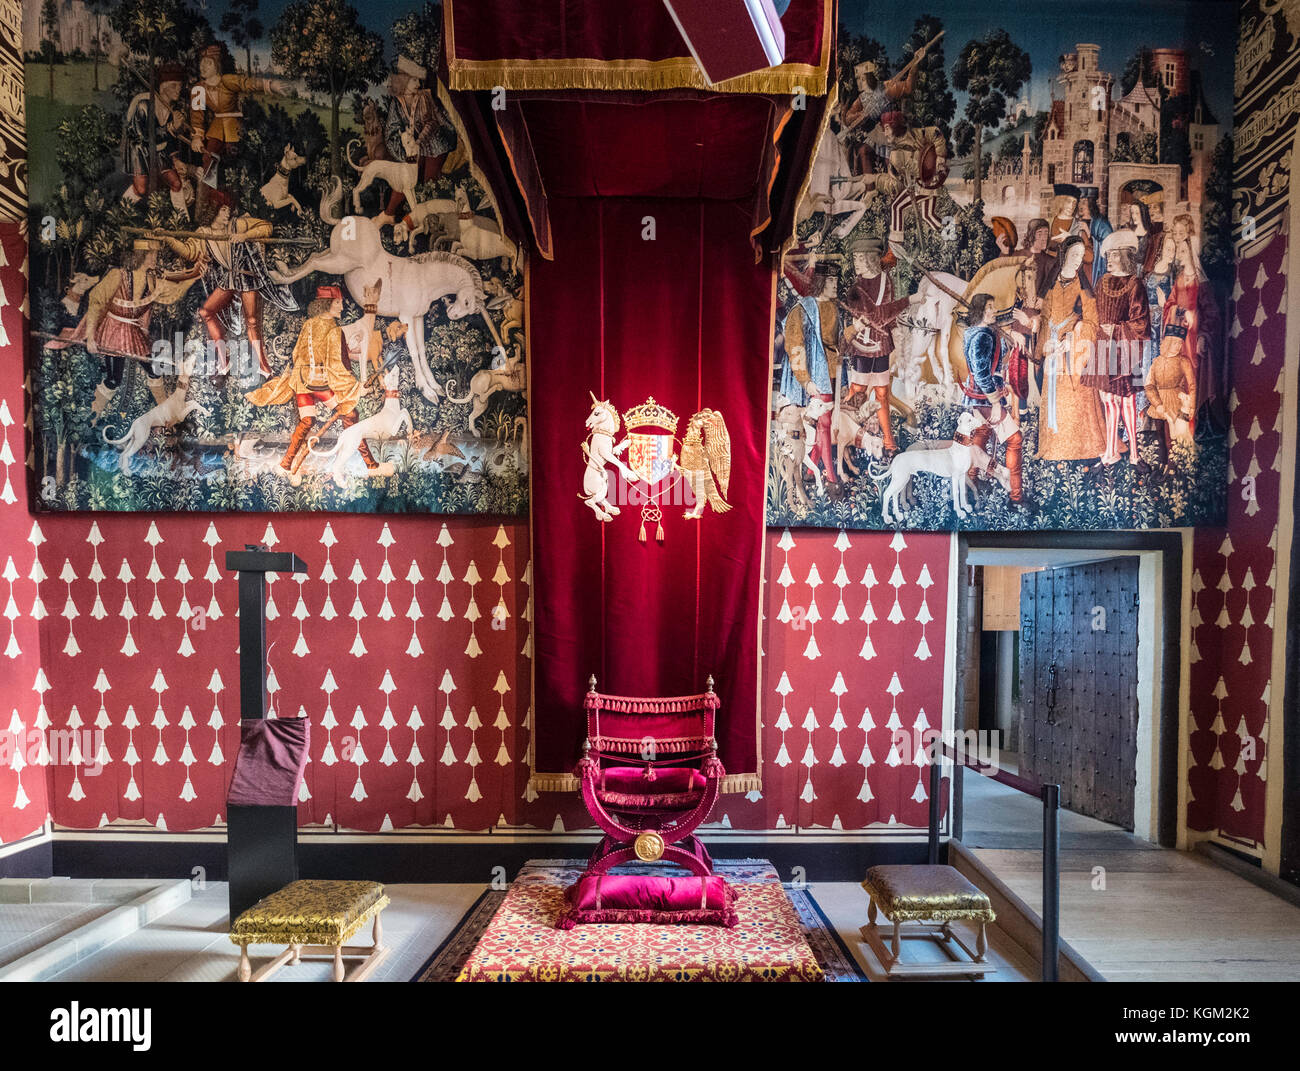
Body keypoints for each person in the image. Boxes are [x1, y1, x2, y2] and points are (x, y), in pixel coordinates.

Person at [44, 240, 189, 420]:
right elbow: (96, 302)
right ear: (141, 256)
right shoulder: (117, 275)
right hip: (113, 332)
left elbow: (173, 292)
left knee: (154, 370)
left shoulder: (152, 281)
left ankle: (169, 418)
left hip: (134, 333)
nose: (155, 258)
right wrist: (90, 336)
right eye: (152, 254)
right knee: (113, 380)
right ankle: (92, 416)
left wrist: (196, 275)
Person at [157, 190, 297, 376]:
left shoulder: (236, 225)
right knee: (206, 311)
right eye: (223, 210)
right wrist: (167, 238)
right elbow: (189, 251)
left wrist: (245, 236)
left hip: (246, 276)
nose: (227, 213)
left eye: (228, 209)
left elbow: (266, 227)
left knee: (252, 321)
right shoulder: (204, 233)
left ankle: (264, 366)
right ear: (213, 211)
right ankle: (224, 360)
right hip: (229, 279)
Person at [245, 285, 375, 484]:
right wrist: (357, 388)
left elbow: (297, 353)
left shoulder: (309, 324)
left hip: (301, 381)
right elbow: (337, 366)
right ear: (327, 304)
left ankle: (286, 464)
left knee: (307, 422)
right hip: (320, 384)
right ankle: (370, 464)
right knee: (350, 415)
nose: (342, 306)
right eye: (338, 302)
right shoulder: (334, 330)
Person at [1034, 235, 1107, 463]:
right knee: (1053, 399)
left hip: (1072, 349)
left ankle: (1078, 449)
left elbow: (1092, 320)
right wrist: (1043, 337)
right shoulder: (1052, 283)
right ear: (1065, 255)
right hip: (1052, 346)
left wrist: (1074, 337)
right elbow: (1045, 315)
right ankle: (1053, 446)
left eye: (1081, 255)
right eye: (1074, 254)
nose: (1078, 259)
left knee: (1073, 399)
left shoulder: (1082, 286)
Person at [840, 238, 916, 453]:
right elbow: (876, 315)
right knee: (857, 392)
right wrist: (909, 301)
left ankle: (888, 442)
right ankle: (846, 435)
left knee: (882, 393)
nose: (856, 262)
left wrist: (896, 334)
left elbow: (886, 317)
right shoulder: (855, 287)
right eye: (854, 258)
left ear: (870, 259)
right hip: (862, 345)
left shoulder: (886, 281)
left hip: (881, 344)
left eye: (859, 258)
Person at [1085, 231, 1150, 470]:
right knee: (1109, 401)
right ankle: (1110, 453)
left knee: (1128, 403)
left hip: (1125, 350)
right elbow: (1094, 313)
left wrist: (1117, 330)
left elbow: (1141, 322)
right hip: (1103, 348)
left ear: (1124, 255)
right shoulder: (1101, 282)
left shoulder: (1135, 284)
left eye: (1113, 255)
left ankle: (1134, 454)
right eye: (1107, 255)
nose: (1108, 260)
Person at [781, 262, 842, 490]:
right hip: (813, 375)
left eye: (837, 281)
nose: (835, 286)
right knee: (823, 423)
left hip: (831, 372)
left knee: (824, 424)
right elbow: (795, 345)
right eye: (831, 281)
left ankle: (810, 471)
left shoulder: (834, 309)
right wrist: (805, 380)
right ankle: (831, 478)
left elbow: (836, 346)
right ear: (820, 283)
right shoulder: (803, 309)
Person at [961, 292, 1027, 505]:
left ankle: (970, 489)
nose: (994, 311)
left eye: (993, 306)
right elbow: (981, 373)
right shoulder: (983, 336)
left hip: (976, 398)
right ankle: (1016, 498)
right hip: (986, 399)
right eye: (989, 307)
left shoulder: (972, 332)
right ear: (980, 311)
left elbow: (986, 371)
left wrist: (1000, 385)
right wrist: (996, 401)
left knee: (979, 438)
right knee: (1015, 440)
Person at [189, 42, 283, 189]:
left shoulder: (227, 81)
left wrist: (269, 85)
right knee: (209, 158)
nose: (203, 66)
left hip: (235, 128)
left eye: (208, 63)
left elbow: (246, 83)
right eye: (202, 63)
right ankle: (211, 195)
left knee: (241, 161)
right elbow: (197, 116)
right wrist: (196, 137)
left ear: (217, 65)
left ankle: (247, 194)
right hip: (216, 129)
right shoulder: (198, 89)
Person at [380, 56, 458, 226]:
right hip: (415, 148)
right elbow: (391, 131)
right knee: (406, 178)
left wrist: (418, 142)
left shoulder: (424, 97)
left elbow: (431, 123)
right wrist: (402, 153)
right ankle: (390, 214)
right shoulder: (397, 102)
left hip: (436, 145)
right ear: (404, 81)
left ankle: (429, 222)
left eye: (419, 80)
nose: (418, 83)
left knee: (429, 183)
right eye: (414, 79)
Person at [122, 62, 190, 214]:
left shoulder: (172, 109)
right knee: (141, 189)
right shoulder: (143, 105)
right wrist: (171, 127)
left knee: (176, 183)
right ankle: (120, 213)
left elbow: (170, 140)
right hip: (140, 152)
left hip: (160, 152)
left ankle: (182, 219)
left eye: (180, 85)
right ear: (163, 86)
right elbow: (143, 137)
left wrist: (175, 159)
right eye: (174, 85)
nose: (178, 90)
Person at [1142, 308, 1196, 468]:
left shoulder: (1183, 361)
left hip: (1176, 401)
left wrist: (1191, 405)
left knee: (1172, 436)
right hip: (1159, 403)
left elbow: (1192, 385)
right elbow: (1149, 385)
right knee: (1158, 438)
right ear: (1165, 343)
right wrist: (1157, 404)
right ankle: (1162, 466)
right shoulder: (1157, 361)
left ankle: (1174, 468)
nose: (1176, 346)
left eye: (1179, 343)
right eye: (1173, 342)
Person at [1076, 190, 1113, 288]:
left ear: (1091, 204)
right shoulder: (1076, 222)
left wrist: (1088, 233)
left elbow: (1108, 246)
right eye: (1079, 202)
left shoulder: (1101, 223)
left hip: (1094, 268)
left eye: (1084, 202)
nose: (1080, 205)